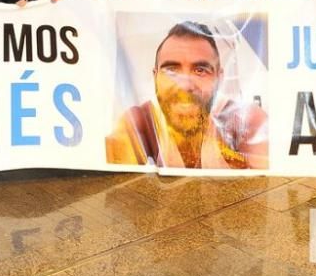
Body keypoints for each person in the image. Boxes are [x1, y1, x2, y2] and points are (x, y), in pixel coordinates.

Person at [105, 21, 268, 169]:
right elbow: (113, 187)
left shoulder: (245, 120)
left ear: (219, 78)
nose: (185, 85)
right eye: (171, 70)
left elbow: (266, 189)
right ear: (155, 77)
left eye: (200, 70)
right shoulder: (139, 121)